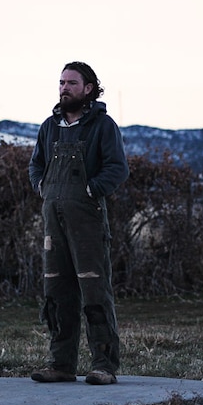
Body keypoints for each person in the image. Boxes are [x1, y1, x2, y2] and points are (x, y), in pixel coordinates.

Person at [27, 61, 130, 385]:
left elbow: (117, 168)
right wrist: (42, 187)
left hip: (87, 222)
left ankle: (103, 365)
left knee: (94, 291)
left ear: (88, 88)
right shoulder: (49, 126)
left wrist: (90, 189)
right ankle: (60, 364)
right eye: (61, 82)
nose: (64, 88)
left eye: (72, 83)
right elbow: (36, 166)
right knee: (56, 292)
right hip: (52, 222)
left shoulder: (103, 126)